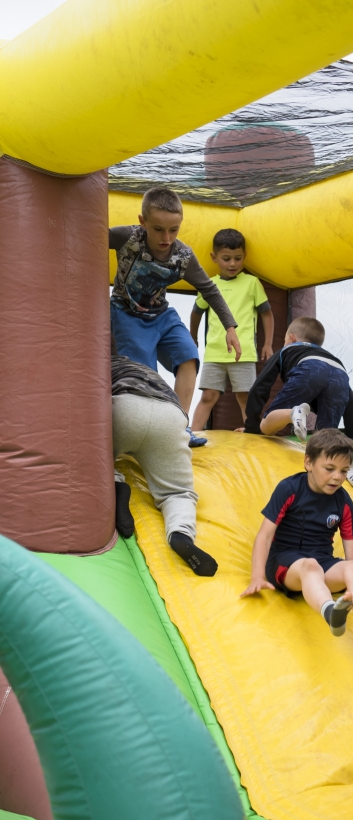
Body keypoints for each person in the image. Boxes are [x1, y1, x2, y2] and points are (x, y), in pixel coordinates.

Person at [240, 429, 353, 647]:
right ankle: (330, 613)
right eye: (329, 469)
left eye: (344, 471)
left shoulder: (343, 502)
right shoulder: (290, 489)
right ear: (308, 462)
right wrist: (257, 576)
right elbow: (265, 535)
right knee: (310, 566)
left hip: (322, 563)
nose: (337, 477)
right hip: (285, 563)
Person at [109, 187, 242, 447]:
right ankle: (147, 431)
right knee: (143, 375)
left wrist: (230, 327)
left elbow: (209, 290)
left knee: (188, 355)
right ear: (143, 221)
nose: (166, 237)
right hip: (126, 313)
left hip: (162, 315)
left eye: (174, 230)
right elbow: (89, 234)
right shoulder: (127, 237)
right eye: (158, 229)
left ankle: (178, 427)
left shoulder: (183, 256)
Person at [112, 341, 218, 577]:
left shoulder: (96, 366)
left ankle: (115, 483)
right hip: (170, 414)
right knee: (178, 492)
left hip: (123, 406)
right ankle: (181, 533)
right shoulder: (139, 367)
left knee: (89, 457)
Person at [242, 316, 353, 492]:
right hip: (340, 374)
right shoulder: (330, 358)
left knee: (266, 427)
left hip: (309, 369)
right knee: (325, 439)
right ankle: (349, 462)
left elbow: (259, 388)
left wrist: (250, 430)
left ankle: (293, 413)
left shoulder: (287, 350)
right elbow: (351, 402)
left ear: (291, 338)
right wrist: (352, 438)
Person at [190, 229, 274, 429]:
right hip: (214, 353)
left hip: (243, 353)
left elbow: (267, 314)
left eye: (238, 258)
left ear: (245, 256)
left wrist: (268, 344)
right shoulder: (209, 284)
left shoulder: (252, 283)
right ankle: (191, 435)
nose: (233, 264)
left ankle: (253, 435)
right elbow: (196, 313)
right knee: (208, 396)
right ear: (214, 257)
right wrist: (193, 338)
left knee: (245, 397)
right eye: (226, 259)